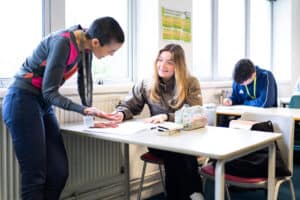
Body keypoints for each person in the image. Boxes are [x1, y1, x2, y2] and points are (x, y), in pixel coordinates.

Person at [2, 16, 124, 200]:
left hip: (42, 102)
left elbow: (85, 84)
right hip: (22, 100)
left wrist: (90, 117)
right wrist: (83, 110)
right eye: (112, 50)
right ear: (97, 42)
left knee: (59, 172)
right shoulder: (63, 43)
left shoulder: (86, 45)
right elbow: (50, 92)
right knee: (35, 176)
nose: (112, 55)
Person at [109, 44, 206, 200]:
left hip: (186, 140)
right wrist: (120, 113)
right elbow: (129, 105)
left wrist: (168, 117)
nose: (163, 65)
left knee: (179, 153)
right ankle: (194, 192)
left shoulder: (190, 82)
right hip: (160, 140)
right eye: (160, 60)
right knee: (175, 153)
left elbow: (194, 112)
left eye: (170, 62)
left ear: (179, 65)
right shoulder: (147, 82)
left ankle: (183, 195)